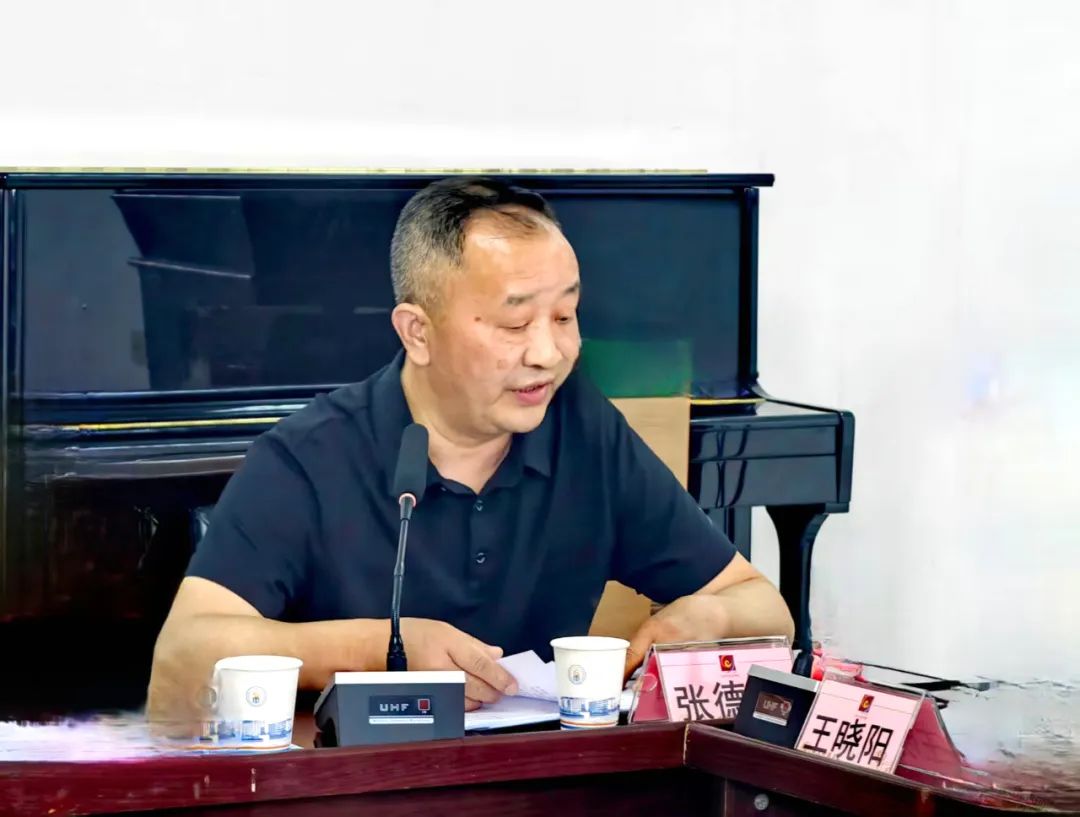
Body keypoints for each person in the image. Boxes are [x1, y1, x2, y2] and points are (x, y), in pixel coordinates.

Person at [147, 177, 794, 725]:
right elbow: (182, 658)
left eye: (565, 317)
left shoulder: (581, 429)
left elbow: (764, 608)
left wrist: (704, 618)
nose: (549, 353)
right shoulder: (309, 458)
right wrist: (384, 649)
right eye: (515, 324)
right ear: (418, 332)